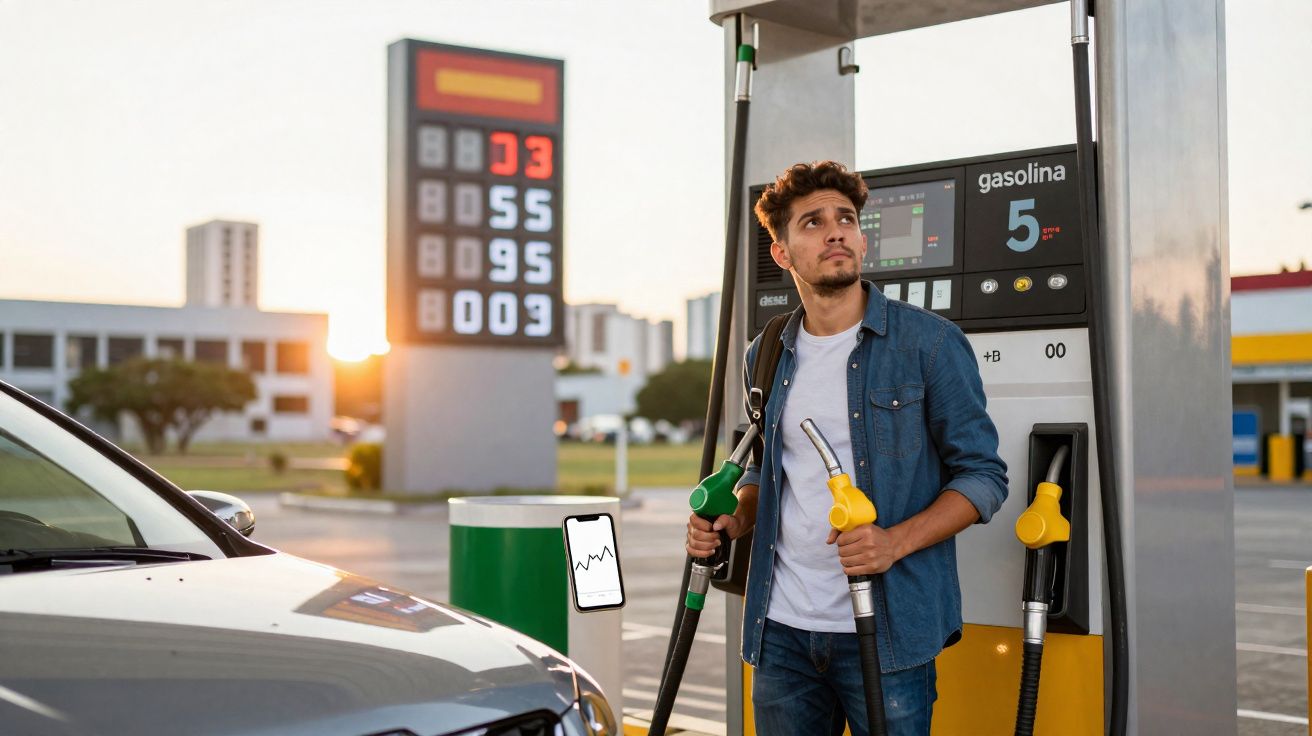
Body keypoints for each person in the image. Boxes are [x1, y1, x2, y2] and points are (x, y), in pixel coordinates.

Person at [686, 161, 1008, 735]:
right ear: (782, 253)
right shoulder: (767, 351)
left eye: (847, 219)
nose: (836, 231)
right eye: (812, 222)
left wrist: (894, 542)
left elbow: (983, 477)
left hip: (887, 635)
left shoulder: (930, 344)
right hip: (780, 630)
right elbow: (769, 468)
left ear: (862, 237)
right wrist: (735, 519)